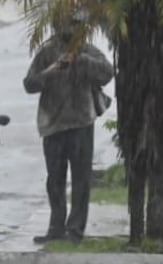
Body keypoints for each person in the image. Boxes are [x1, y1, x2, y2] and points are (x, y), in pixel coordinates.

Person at [23, 16, 114, 243]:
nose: (70, 28)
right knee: (55, 180)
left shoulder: (88, 51)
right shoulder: (47, 52)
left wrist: (80, 60)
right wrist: (50, 71)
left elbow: (107, 72)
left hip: (81, 123)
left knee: (81, 179)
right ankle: (56, 228)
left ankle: (75, 231)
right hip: (53, 125)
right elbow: (29, 84)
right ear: (56, 25)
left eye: (75, 24)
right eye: (66, 22)